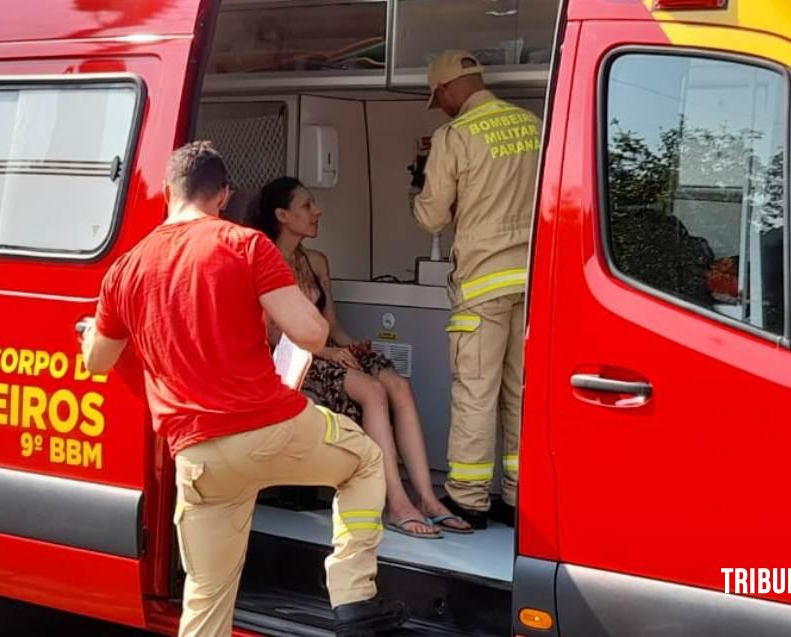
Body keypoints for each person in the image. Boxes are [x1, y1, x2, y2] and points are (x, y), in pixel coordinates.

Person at [80, 142, 407, 637]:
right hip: (271, 427)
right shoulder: (245, 245)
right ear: (224, 196)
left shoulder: (125, 269)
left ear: (168, 192)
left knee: (206, 601)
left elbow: (98, 362)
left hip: (197, 456)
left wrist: (93, 331)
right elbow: (313, 335)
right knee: (364, 460)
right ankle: (354, 599)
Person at [252, 177, 473, 539]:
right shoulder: (265, 263)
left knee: (397, 385)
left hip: (326, 351)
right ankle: (397, 503)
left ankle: (428, 499)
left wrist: (353, 347)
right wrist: (329, 352)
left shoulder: (317, 262)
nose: (316, 212)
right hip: (294, 363)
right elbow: (273, 335)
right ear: (282, 215)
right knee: (372, 391)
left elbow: (332, 325)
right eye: (307, 206)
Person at [411, 50, 541, 530]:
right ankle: (517, 497)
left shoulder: (455, 135)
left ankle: (467, 498)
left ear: (446, 90)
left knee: (475, 393)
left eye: (437, 98)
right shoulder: (532, 124)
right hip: (533, 284)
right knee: (521, 395)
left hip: (483, 284)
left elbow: (432, 216)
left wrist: (419, 188)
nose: (441, 106)